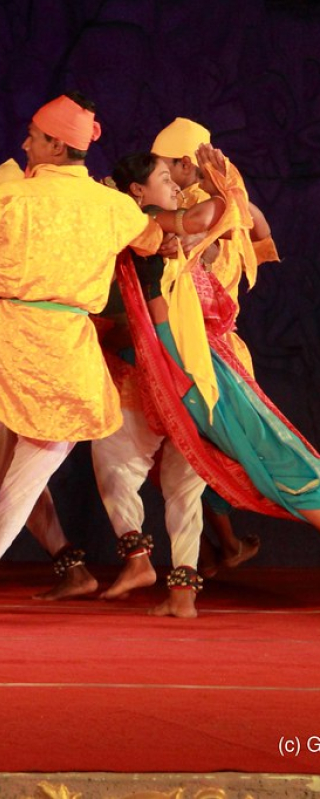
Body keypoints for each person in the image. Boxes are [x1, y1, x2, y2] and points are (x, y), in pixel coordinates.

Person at [0, 92, 163, 625]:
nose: (25, 142)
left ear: (57, 145)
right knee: (26, 482)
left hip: (6, 341)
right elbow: (155, 239)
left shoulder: (14, 197)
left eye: (34, 135)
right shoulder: (115, 208)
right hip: (66, 354)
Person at [115, 144, 320, 585]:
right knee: (263, 460)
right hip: (186, 362)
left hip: (202, 360)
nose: (174, 185)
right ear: (137, 190)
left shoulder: (163, 226)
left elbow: (242, 227)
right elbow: (205, 220)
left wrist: (224, 191)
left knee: (268, 457)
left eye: (175, 176)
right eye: (165, 179)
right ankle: (181, 574)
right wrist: (222, 188)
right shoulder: (144, 223)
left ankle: (189, 576)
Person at [152, 117, 277, 572]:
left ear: (187, 166)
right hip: (193, 345)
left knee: (215, 454)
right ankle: (217, 547)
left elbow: (194, 244)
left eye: (166, 166)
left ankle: (217, 548)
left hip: (205, 351)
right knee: (189, 455)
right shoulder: (231, 204)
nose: (160, 172)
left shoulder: (205, 208)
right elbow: (261, 237)